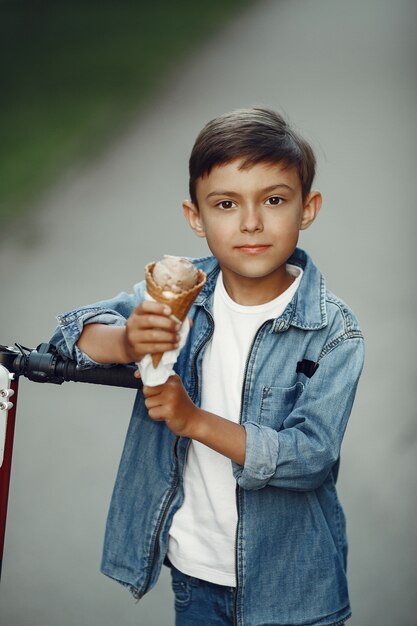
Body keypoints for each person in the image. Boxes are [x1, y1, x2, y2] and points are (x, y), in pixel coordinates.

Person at [50, 107, 364, 626]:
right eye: (225, 203)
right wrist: (128, 340)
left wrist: (192, 420)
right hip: (197, 574)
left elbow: (310, 457)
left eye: (274, 200)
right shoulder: (181, 294)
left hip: (294, 586)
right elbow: (70, 338)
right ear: (195, 216)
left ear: (308, 208)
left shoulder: (334, 331)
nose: (251, 222)